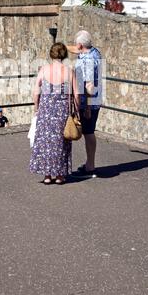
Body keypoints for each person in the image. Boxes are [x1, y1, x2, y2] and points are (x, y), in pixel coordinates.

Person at [29, 42, 80, 185]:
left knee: (45, 142)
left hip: (46, 110)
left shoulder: (44, 70)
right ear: (64, 55)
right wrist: (77, 110)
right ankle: (60, 175)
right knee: (61, 142)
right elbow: (76, 94)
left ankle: (47, 175)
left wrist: (36, 108)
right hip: (62, 111)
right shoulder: (69, 71)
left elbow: (36, 91)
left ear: (51, 54)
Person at [67, 30, 102, 176]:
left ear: (81, 45)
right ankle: (89, 163)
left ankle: (90, 166)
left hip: (89, 102)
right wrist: (64, 47)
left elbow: (89, 85)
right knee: (89, 131)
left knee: (88, 132)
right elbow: (77, 49)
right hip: (96, 99)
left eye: (77, 45)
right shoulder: (94, 52)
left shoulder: (87, 61)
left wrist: (86, 107)